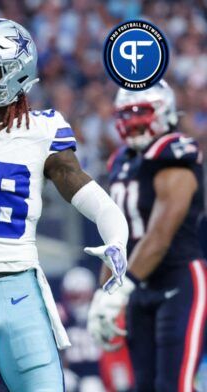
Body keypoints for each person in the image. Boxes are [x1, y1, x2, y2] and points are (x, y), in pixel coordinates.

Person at [0, 18, 129, 391]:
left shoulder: (42, 130)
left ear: (15, 77)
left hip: (19, 294)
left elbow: (86, 191)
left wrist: (116, 238)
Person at [87, 80, 206, 391]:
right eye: (126, 113)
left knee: (174, 385)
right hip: (138, 289)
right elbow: (114, 237)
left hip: (178, 281)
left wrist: (120, 290)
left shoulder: (174, 152)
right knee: (145, 386)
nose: (132, 120)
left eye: (140, 110)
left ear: (163, 110)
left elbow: (161, 234)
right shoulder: (120, 162)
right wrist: (105, 295)